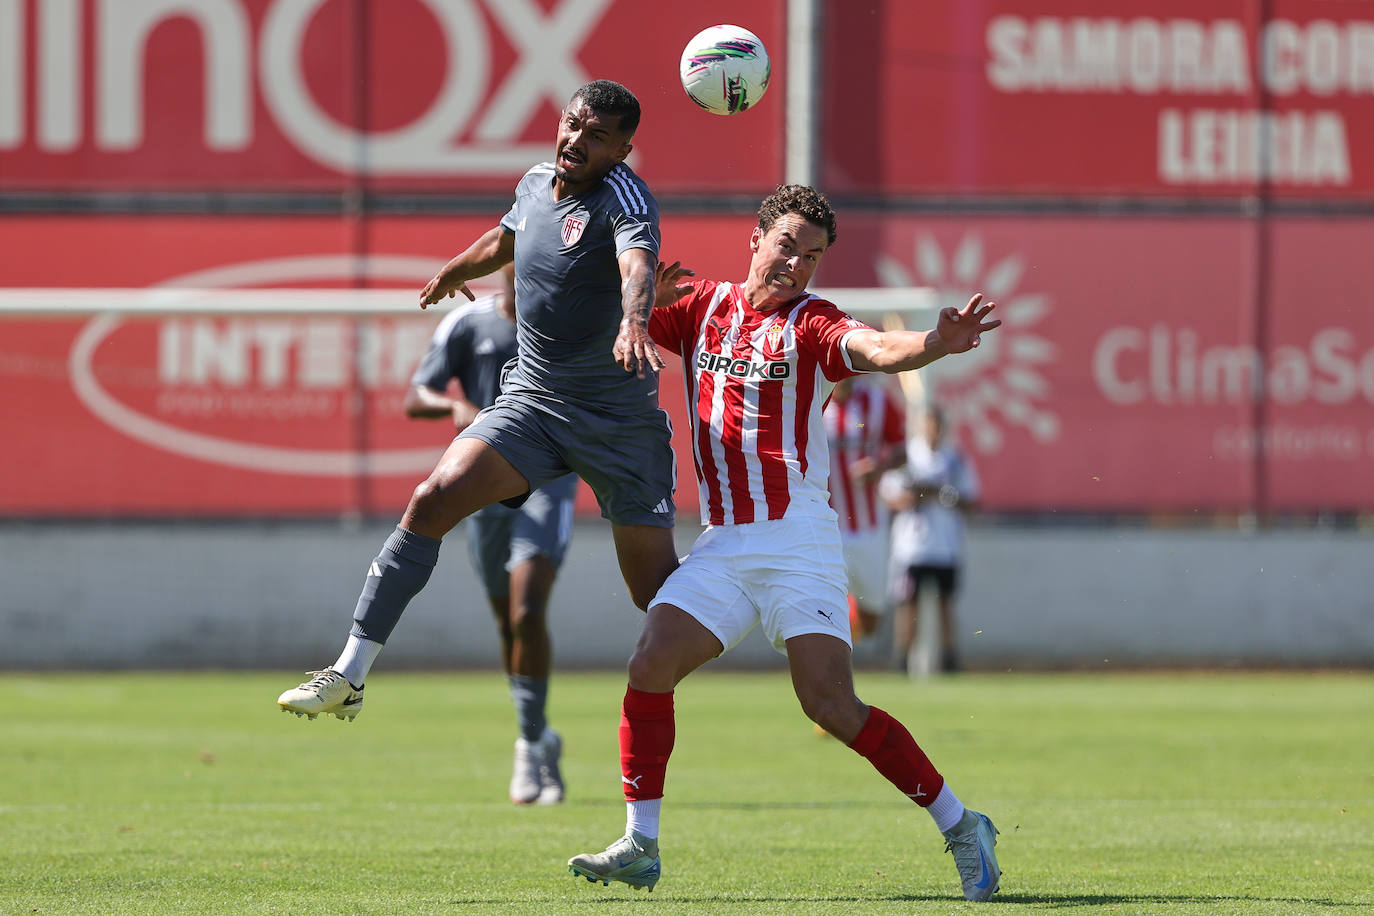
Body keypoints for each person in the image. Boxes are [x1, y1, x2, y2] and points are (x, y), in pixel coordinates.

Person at [566, 185, 1003, 901]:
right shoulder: (699, 305)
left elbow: (875, 347)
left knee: (830, 706)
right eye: (786, 246)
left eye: (812, 255)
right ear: (755, 239)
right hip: (726, 543)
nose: (796, 264)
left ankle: (961, 824)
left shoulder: (812, 323)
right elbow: (611, 315)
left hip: (798, 539)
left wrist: (933, 343)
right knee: (650, 663)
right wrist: (633, 303)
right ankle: (641, 843)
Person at [276, 80, 680, 732]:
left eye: (598, 136)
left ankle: (756, 590)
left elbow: (637, 266)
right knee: (433, 498)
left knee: (658, 597)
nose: (577, 140)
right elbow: (508, 238)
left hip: (616, 424)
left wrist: (635, 322)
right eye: (573, 124)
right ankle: (349, 673)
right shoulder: (534, 183)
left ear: (622, 150)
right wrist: (457, 269)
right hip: (535, 403)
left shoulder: (626, 198)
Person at [403, 262, 577, 804]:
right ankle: (540, 732)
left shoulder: (568, 323)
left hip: (548, 481)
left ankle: (527, 747)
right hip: (484, 484)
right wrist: (453, 404)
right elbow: (418, 394)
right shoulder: (468, 324)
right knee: (507, 621)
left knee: (528, 611)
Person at [883, 404, 980, 675]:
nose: (932, 431)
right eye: (928, 424)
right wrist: (916, 496)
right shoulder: (907, 457)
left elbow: (971, 500)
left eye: (937, 425)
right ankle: (902, 659)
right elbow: (890, 497)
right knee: (908, 604)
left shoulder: (954, 459)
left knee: (945, 603)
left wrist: (940, 494)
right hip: (911, 545)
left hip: (945, 544)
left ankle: (949, 658)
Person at [823, 374, 907, 640]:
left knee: (872, 618)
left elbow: (903, 451)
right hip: (822, 528)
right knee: (820, 608)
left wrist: (879, 467)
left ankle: (843, 645)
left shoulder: (877, 402)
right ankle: (831, 656)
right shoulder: (812, 402)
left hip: (867, 528)